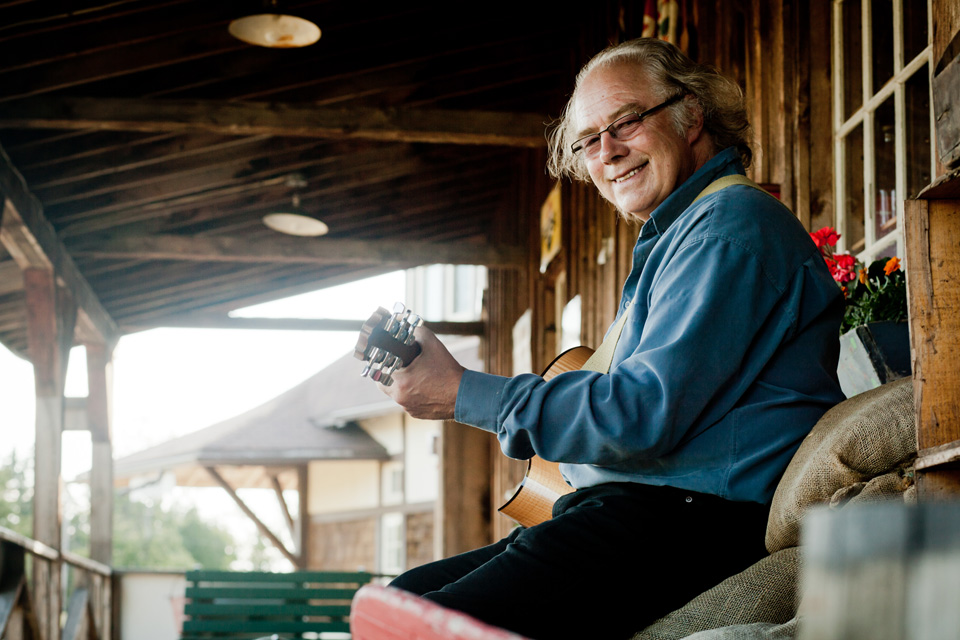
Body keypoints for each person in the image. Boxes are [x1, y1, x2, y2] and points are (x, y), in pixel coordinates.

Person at [380, 38, 846, 640]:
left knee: (415, 629)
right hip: (635, 510)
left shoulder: (727, 228)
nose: (608, 152)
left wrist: (462, 391)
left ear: (691, 114)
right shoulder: (683, 235)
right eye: (588, 140)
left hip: (689, 519)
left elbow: (639, 414)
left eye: (626, 122)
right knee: (397, 603)